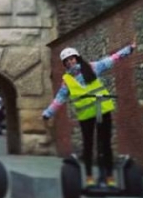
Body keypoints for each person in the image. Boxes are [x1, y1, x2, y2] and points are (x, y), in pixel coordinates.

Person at [42, 42, 135, 187]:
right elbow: (59, 99)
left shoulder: (92, 67)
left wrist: (129, 49)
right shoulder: (67, 81)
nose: (70, 62)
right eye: (66, 61)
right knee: (88, 145)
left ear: (77, 58)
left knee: (105, 144)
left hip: (100, 109)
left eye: (71, 59)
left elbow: (112, 59)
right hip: (86, 115)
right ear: (64, 64)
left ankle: (109, 176)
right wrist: (48, 113)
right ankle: (90, 176)